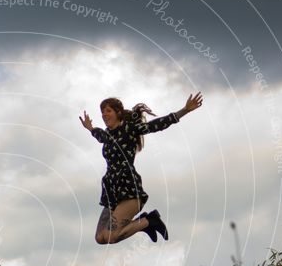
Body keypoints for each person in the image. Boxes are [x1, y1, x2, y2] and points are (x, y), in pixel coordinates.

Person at [80, 92, 203, 244]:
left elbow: (156, 125)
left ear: (118, 113)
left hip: (128, 190)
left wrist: (184, 110)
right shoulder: (107, 135)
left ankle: (148, 221)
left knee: (111, 236)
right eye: (102, 112)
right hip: (111, 193)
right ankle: (144, 224)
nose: (104, 114)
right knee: (101, 238)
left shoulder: (130, 129)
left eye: (108, 110)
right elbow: (98, 134)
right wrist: (90, 128)